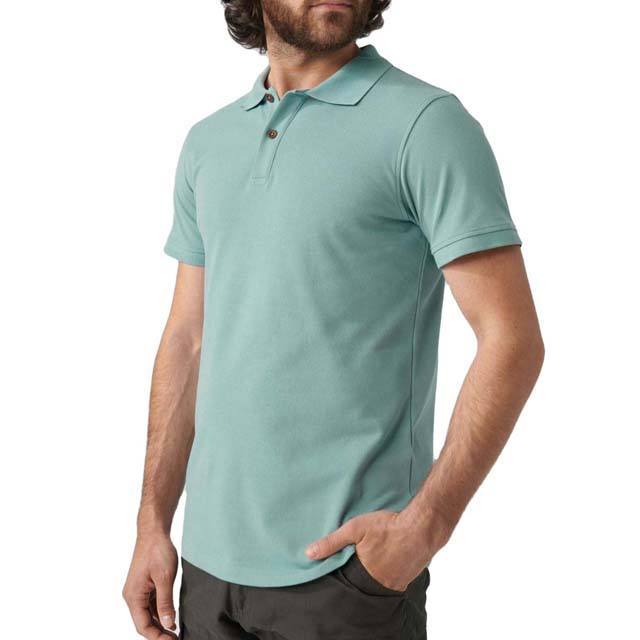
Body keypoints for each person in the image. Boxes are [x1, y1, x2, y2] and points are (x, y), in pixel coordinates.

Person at [123, 1, 544, 638]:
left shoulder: (425, 124)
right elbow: (188, 339)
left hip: (347, 576)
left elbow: (512, 340)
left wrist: (424, 529)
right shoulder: (208, 142)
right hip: (206, 573)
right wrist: (152, 524)